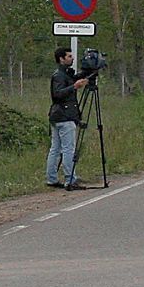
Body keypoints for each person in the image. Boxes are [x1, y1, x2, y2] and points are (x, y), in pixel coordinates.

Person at [46, 47, 89, 190]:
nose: (72, 58)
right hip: (65, 116)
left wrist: (88, 73)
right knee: (67, 149)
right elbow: (57, 94)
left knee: (55, 148)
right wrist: (74, 87)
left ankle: (52, 178)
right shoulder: (59, 75)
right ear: (61, 59)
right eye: (69, 56)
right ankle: (70, 179)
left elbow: (74, 79)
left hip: (58, 116)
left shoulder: (65, 74)